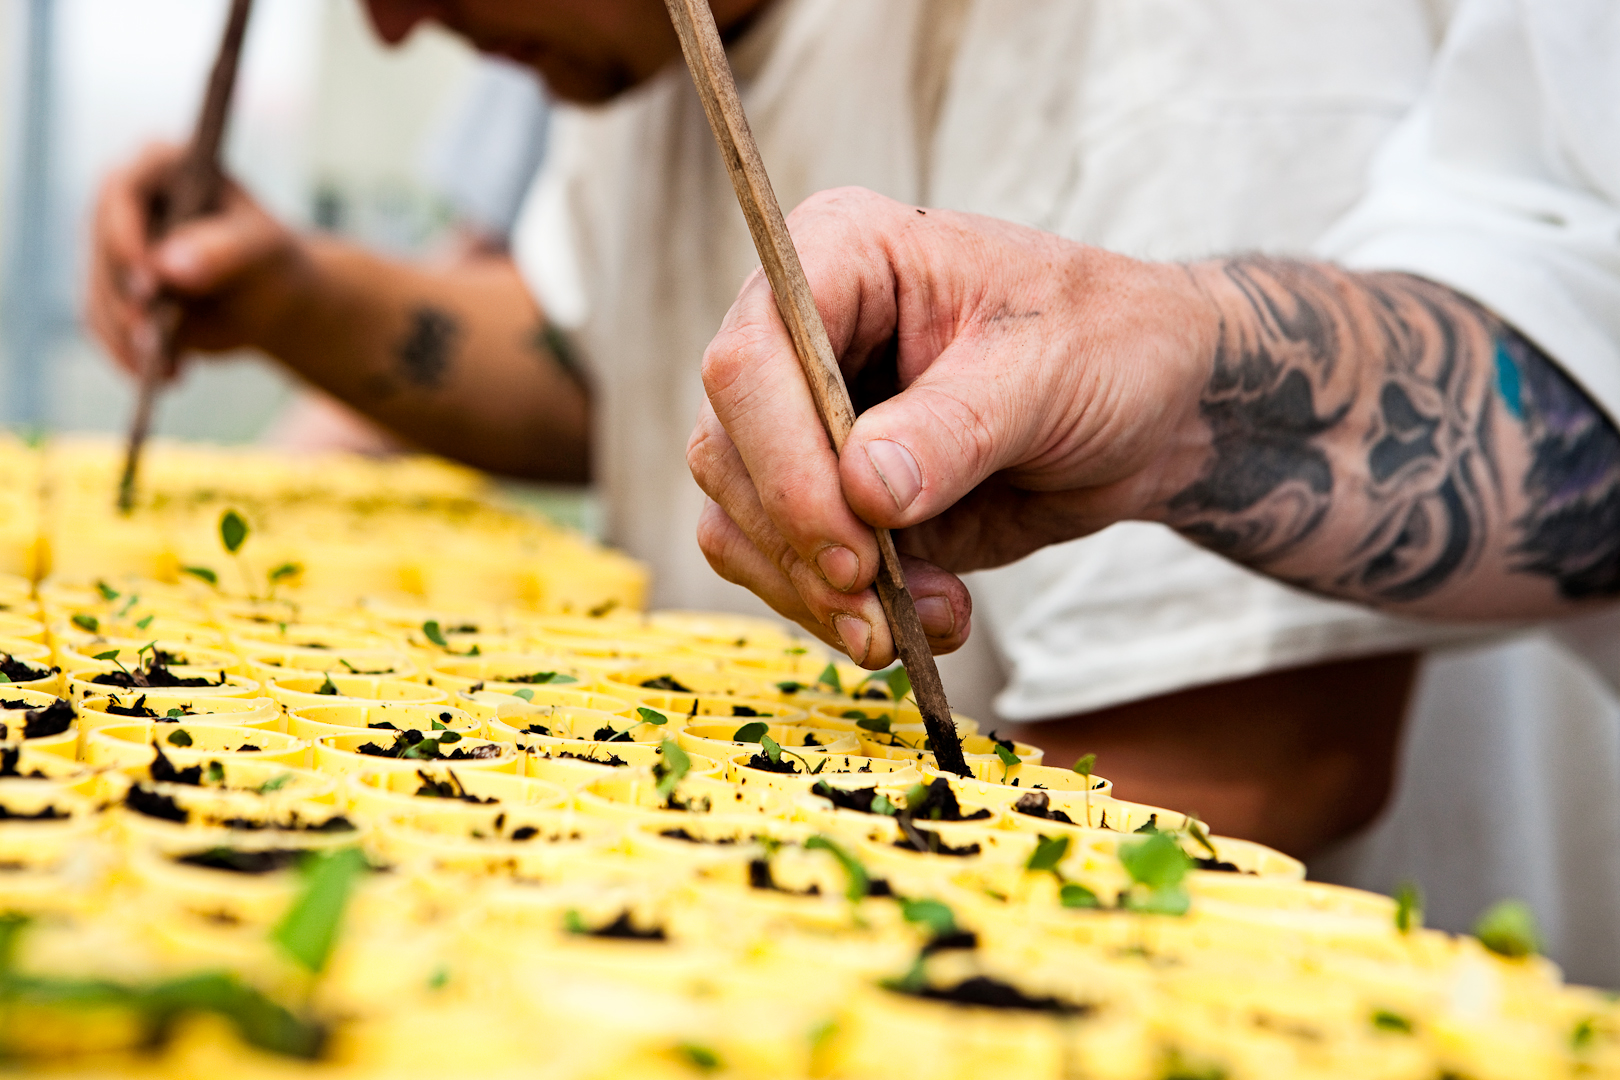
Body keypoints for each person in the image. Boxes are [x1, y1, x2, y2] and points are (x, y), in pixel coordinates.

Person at [85, 0, 1620, 982]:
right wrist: (294, 296)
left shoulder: (1181, 39)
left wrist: (572, 958)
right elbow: (597, 369)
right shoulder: (646, 61)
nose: (396, 19)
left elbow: (1263, 765)